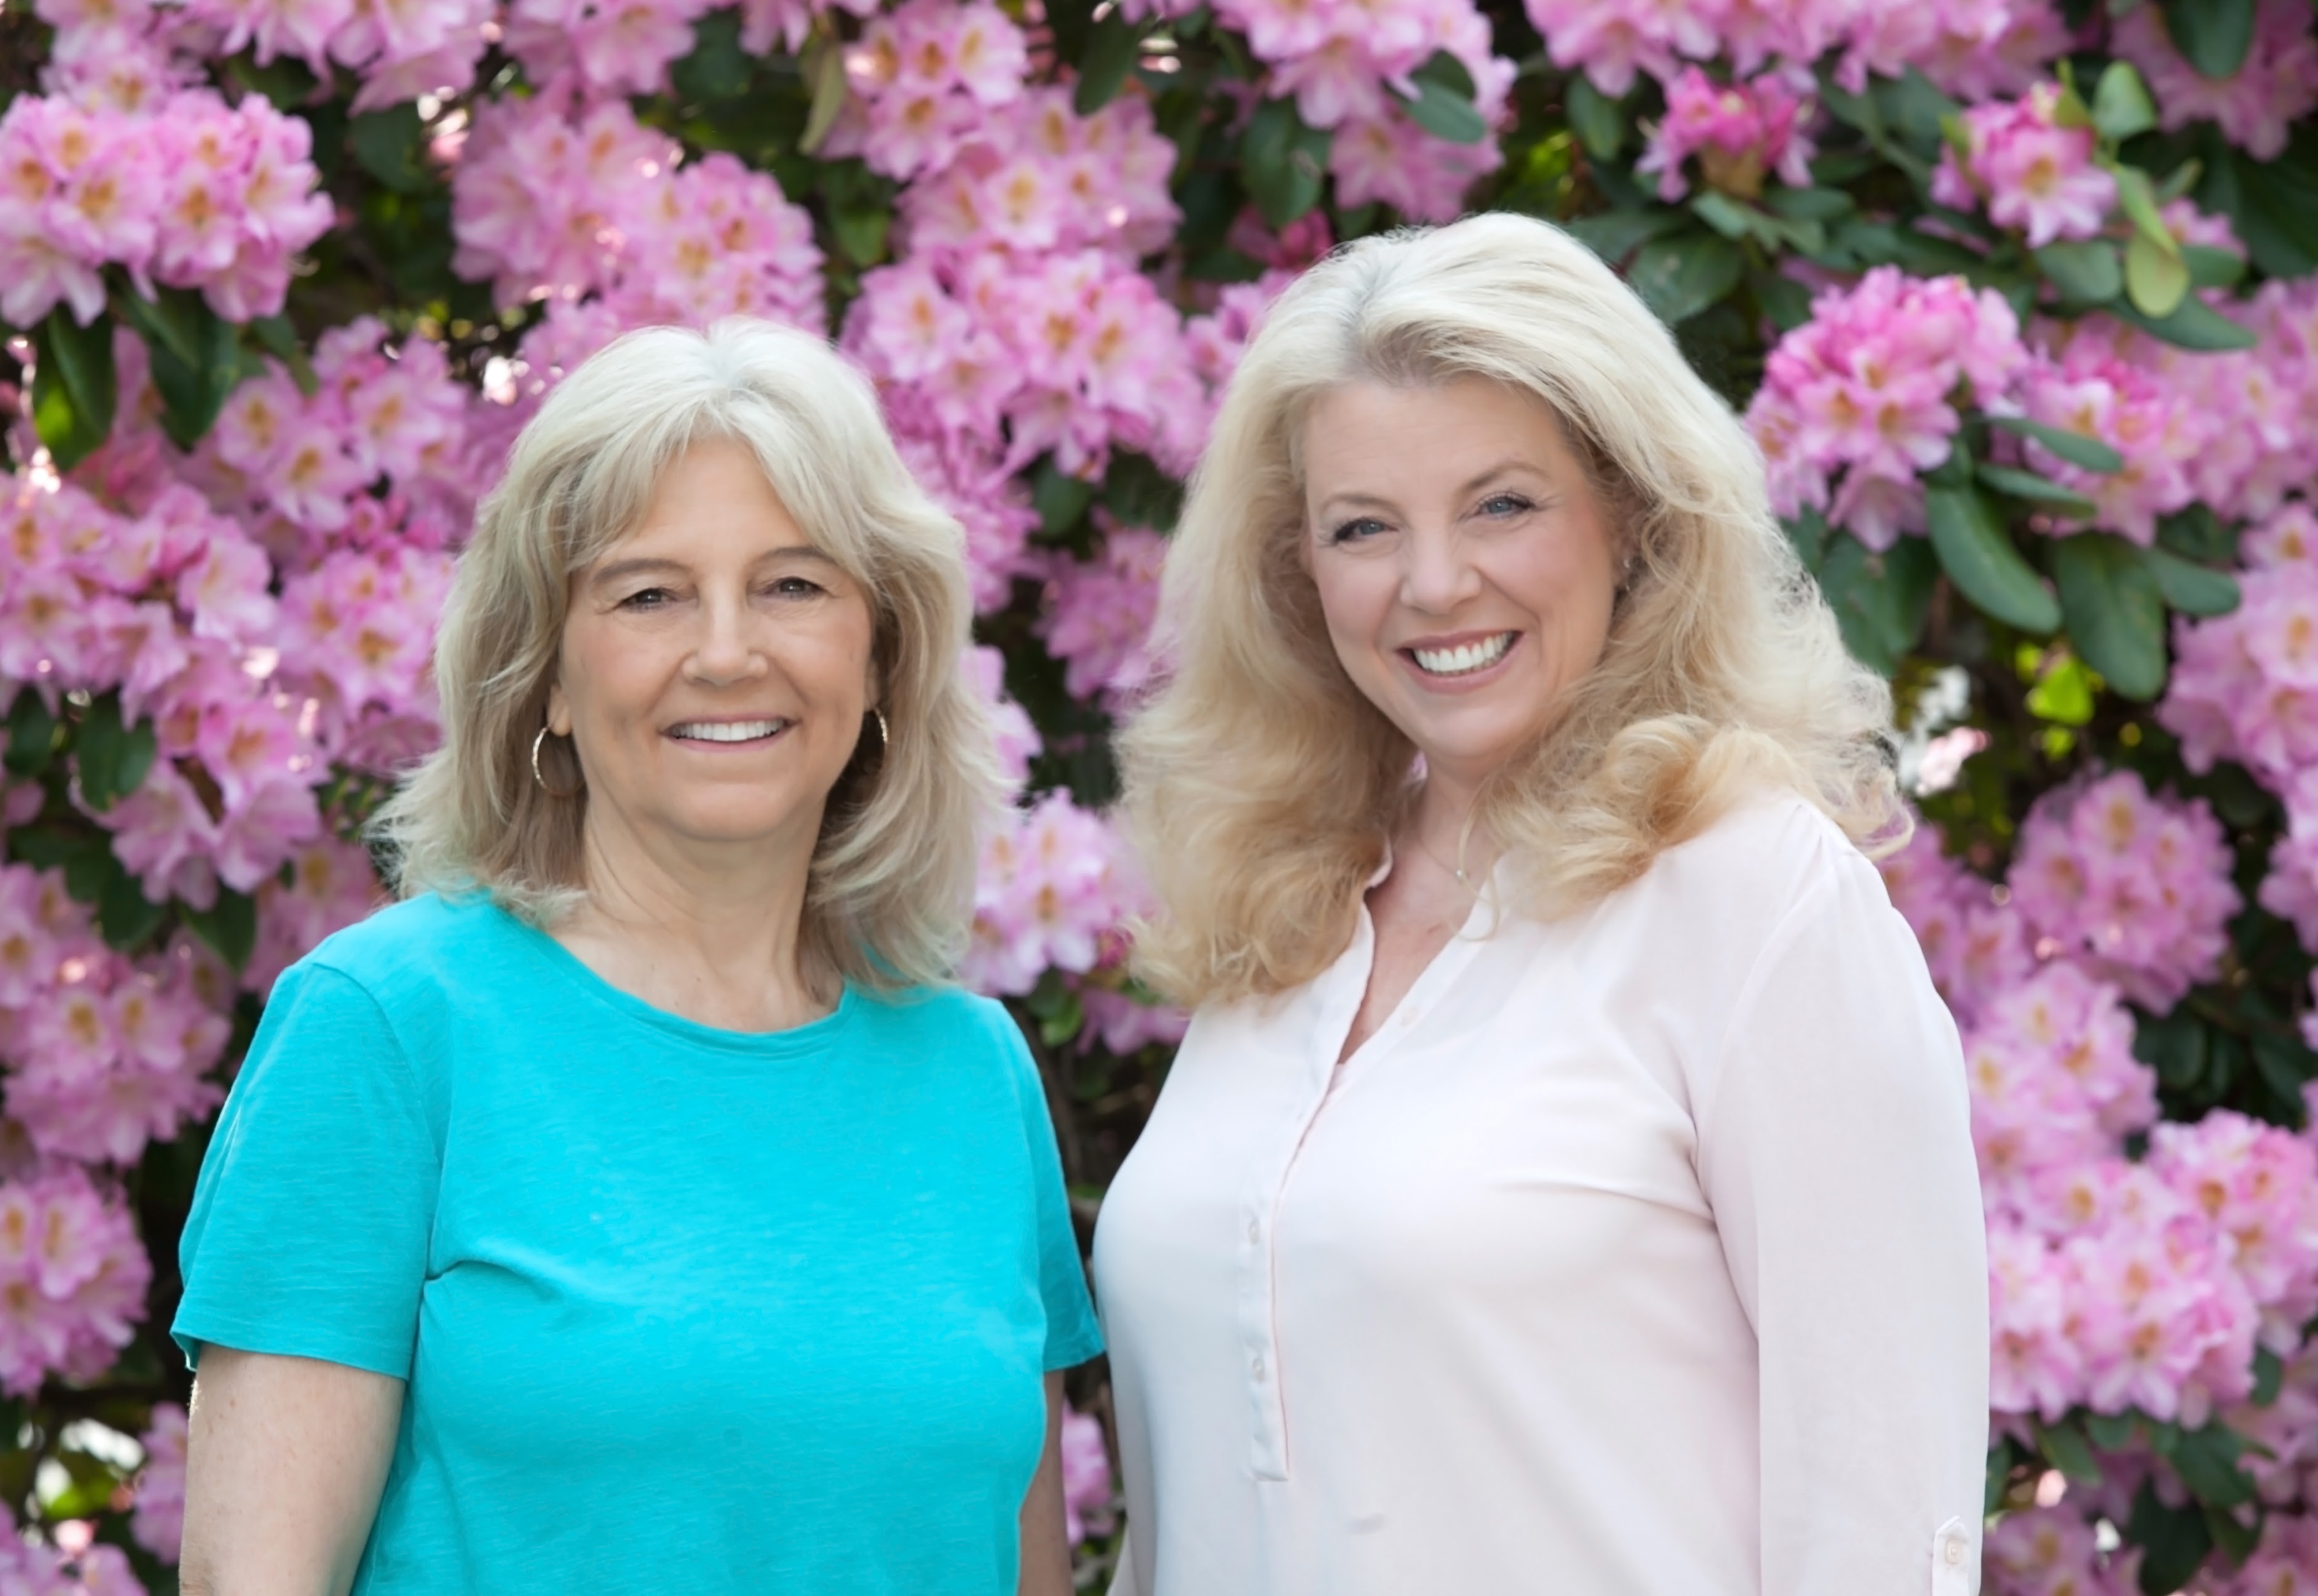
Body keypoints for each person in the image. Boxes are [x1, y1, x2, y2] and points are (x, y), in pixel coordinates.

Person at [1096, 213, 1988, 1595]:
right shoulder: (1283, 913)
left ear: (1627, 515)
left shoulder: (1751, 897)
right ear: (1298, 572)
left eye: (1501, 503)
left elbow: (1882, 1515)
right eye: (1361, 528)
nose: (1434, 582)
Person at [171, 319, 1099, 1595]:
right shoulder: (386, 1026)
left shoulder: (973, 1072)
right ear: (546, 673)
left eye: (793, 584)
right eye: (648, 593)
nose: (725, 653)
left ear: (880, 652)